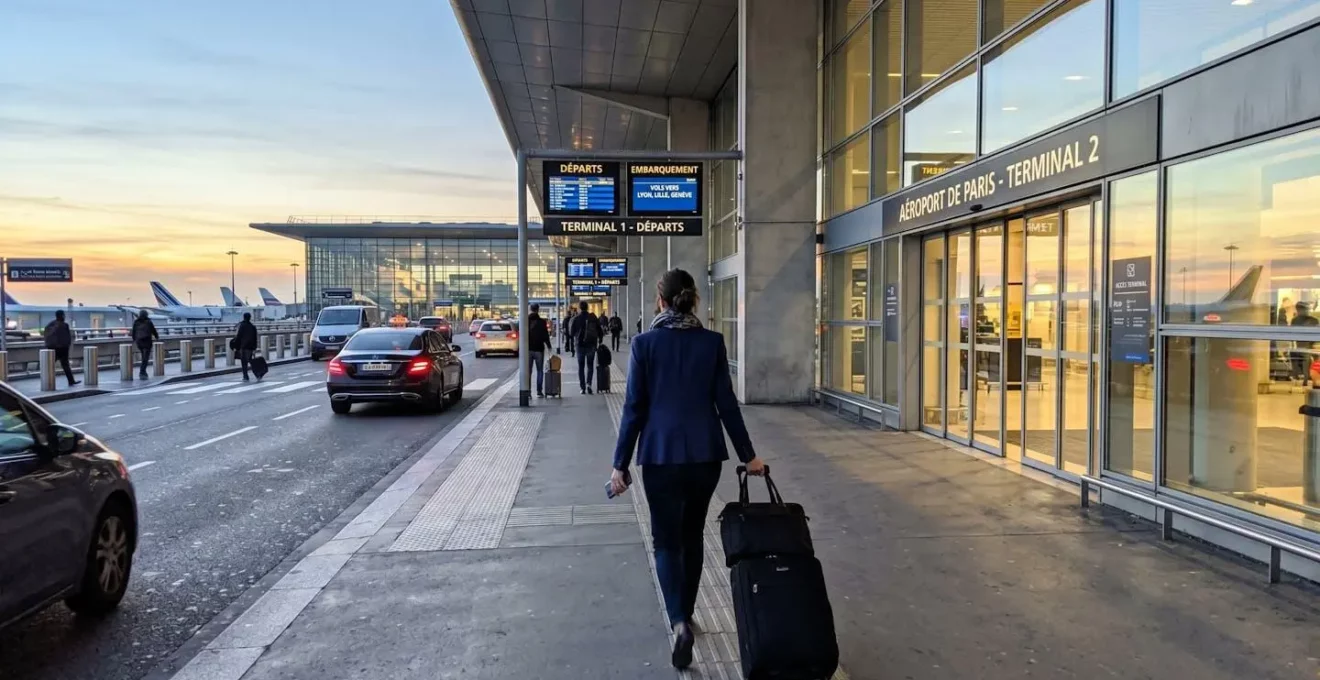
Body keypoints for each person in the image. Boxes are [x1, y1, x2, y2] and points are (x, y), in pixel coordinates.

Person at [608, 268, 765, 669]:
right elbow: (726, 404)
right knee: (692, 536)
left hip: (660, 456)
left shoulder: (644, 344)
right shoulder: (712, 342)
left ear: (660, 300)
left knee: (665, 542)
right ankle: (689, 611)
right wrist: (748, 456)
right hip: (704, 456)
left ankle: (679, 621)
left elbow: (634, 409)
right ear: (693, 300)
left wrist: (619, 464)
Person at [569, 301, 600, 394]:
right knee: (590, 365)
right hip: (591, 344)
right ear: (587, 307)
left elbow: (571, 333)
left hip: (580, 345)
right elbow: (599, 330)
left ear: (579, 308)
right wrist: (600, 340)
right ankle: (589, 384)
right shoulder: (593, 317)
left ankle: (582, 388)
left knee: (581, 367)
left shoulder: (576, 318)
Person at [43, 310, 78, 387]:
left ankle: (46, 382)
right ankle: (71, 381)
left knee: (50, 365)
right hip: (63, 348)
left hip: (52, 348)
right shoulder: (64, 325)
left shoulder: (51, 324)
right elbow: (68, 337)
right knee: (65, 365)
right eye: (63, 315)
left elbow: (46, 335)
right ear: (62, 316)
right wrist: (68, 345)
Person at [1291, 301, 1319, 383]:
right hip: (1301, 345)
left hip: (1310, 345)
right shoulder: (1295, 320)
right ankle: (1297, 376)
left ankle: (1304, 378)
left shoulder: (1313, 320)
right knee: (1295, 354)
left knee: (1305, 355)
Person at [527, 303, 551, 398]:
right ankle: (539, 391)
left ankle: (528, 392)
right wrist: (549, 346)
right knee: (540, 370)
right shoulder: (542, 322)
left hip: (528, 349)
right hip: (539, 349)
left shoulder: (526, 320)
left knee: (528, 371)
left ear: (530, 309)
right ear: (538, 310)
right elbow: (545, 335)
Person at [232, 312, 260, 381]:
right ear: (250, 318)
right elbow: (255, 338)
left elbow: (238, 336)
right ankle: (258, 374)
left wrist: (235, 346)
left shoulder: (242, 326)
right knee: (251, 361)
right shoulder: (253, 327)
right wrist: (254, 348)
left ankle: (245, 376)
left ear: (244, 317)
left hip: (244, 347)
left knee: (244, 362)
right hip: (250, 347)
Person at [131, 310, 158, 379]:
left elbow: (133, 332)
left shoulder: (136, 322)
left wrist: (134, 340)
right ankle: (142, 371)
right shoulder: (148, 322)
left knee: (143, 356)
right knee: (145, 358)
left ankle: (143, 371)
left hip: (139, 342)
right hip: (147, 342)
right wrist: (157, 337)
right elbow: (153, 330)